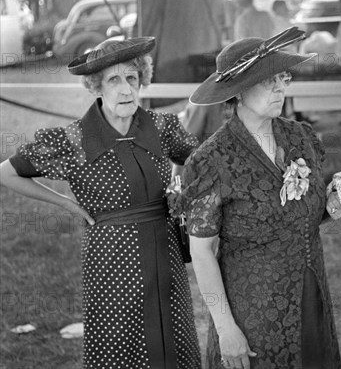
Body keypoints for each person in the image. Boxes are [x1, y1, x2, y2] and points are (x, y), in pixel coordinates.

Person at [0, 37, 202, 368]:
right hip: (112, 262)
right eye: (114, 80)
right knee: (120, 344)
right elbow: (7, 173)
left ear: (142, 81)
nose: (125, 90)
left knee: (174, 340)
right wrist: (66, 203)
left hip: (166, 256)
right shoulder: (74, 140)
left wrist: (181, 191)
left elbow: (201, 162)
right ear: (97, 86)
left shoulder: (162, 128)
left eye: (132, 79)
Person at [170, 28, 341, 369]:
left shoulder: (302, 138)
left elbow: (306, 217)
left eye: (283, 77)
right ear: (238, 92)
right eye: (267, 80)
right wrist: (226, 328)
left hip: (310, 293)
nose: (280, 87)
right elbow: (201, 252)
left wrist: (334, 203)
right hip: (252, 310)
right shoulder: (211, 161)